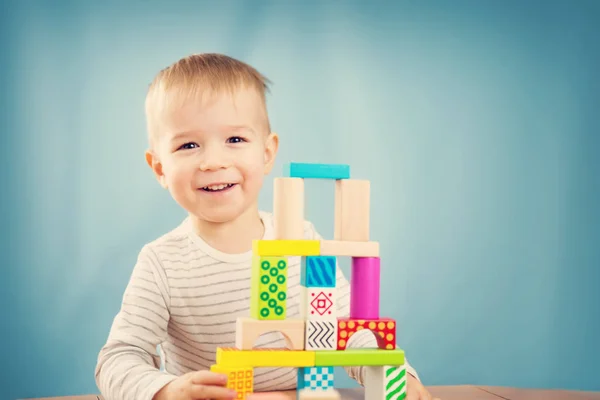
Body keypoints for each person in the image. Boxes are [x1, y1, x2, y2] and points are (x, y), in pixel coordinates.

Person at [95, 53, 434, 400]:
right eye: (188, 145)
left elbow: (351, 330)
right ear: (160, 168)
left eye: (235, 140)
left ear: (268, 153)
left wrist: (395, 376)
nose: (213, 161)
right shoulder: (161, 262)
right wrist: (165, 390)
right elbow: (119, 358)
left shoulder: (302, 240)